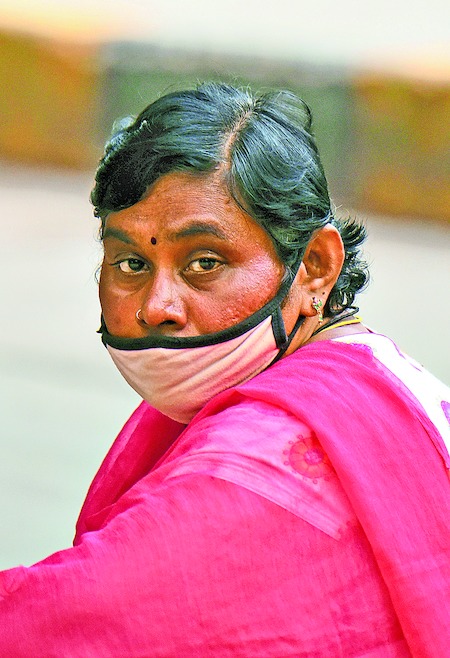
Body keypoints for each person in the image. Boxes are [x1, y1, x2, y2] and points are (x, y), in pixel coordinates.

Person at [0, 82, 449, 657]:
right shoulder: (382, 378)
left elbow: (64, 628)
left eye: (205, 262)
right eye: (131, 263)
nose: (156, 306)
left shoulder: (263, 452)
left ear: (314, 265)